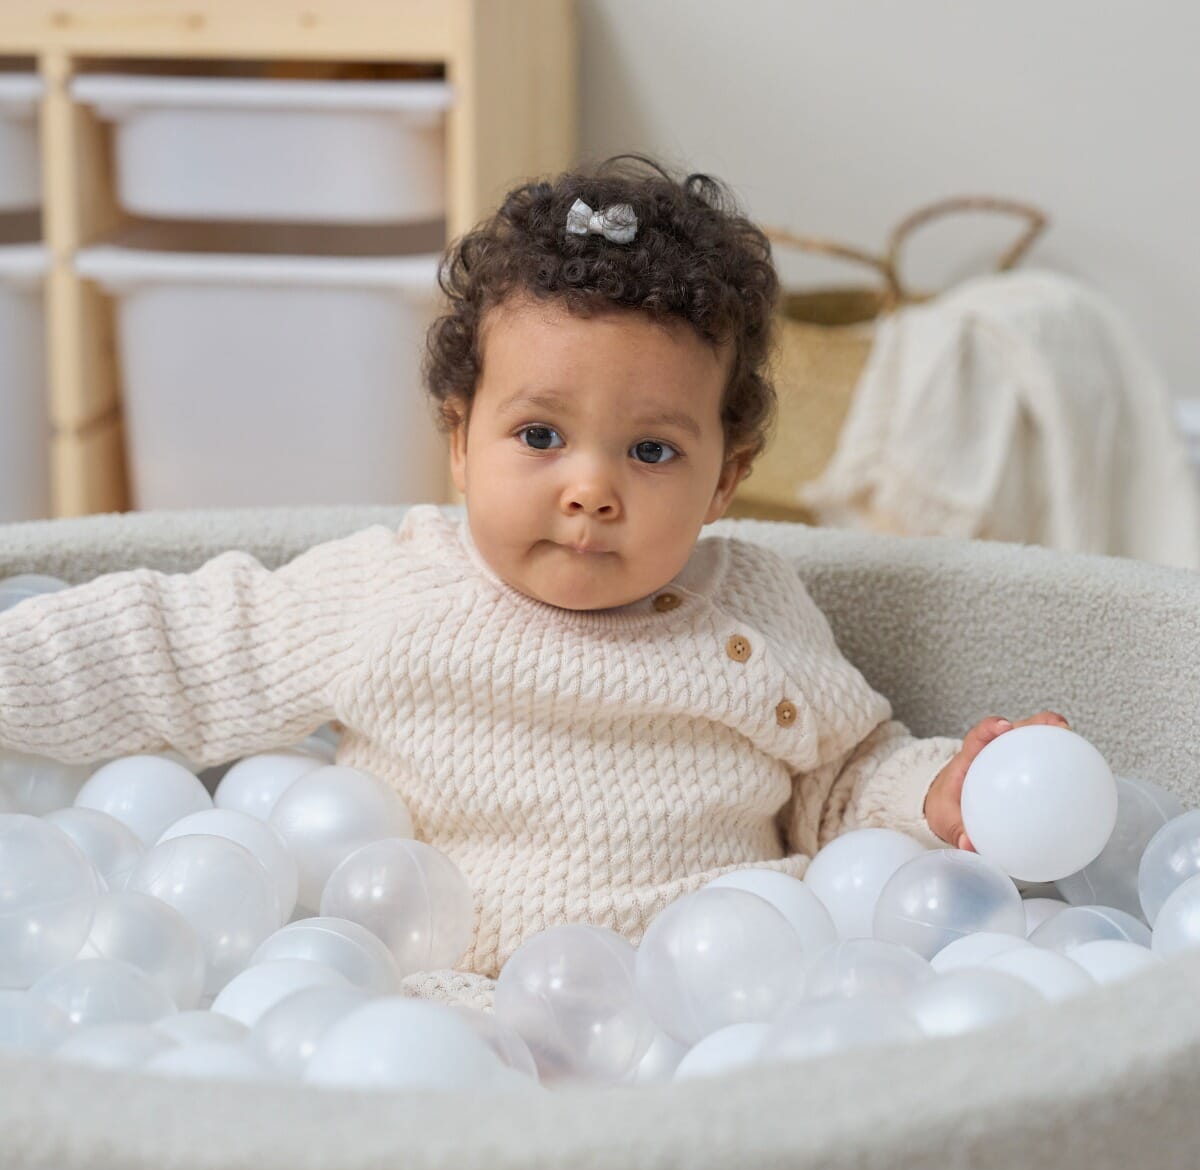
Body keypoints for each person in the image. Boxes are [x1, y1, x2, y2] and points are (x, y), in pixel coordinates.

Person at [0, 154, 1066, 1009]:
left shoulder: (753, 609)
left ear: (726, 480)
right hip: (441, 1002)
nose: (591, 489)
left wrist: (940, 793)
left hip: (728, 1000)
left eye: (651, 452)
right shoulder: (393, 591)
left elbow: (840, 785)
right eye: (541, 435)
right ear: (460, 442)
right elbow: (184, 645)